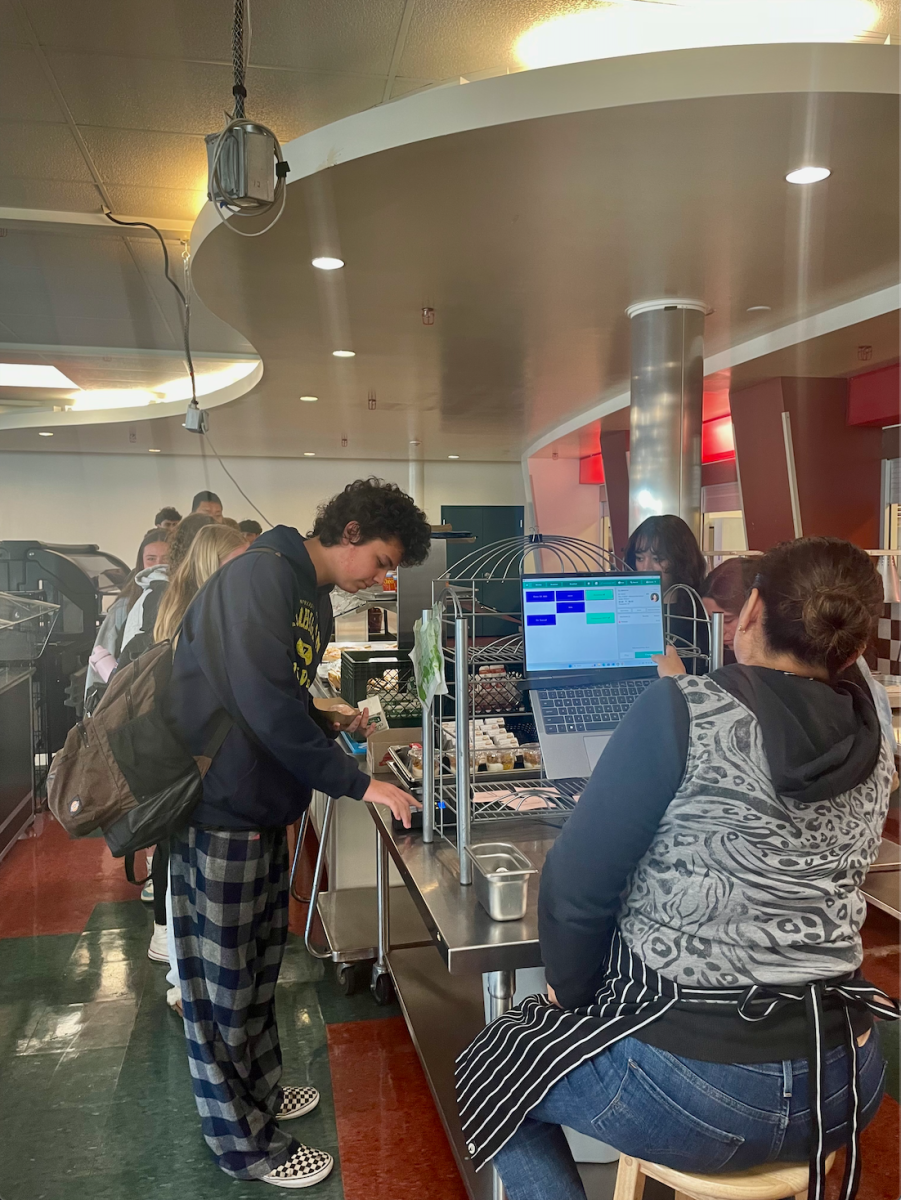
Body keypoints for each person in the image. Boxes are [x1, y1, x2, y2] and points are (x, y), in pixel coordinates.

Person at [457, 537, 898, 1200]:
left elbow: (575, 887)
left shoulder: (680, 710)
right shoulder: (877, 736)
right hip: (844, 1074)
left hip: (700, 1093)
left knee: (489, 1069)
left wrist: (569, 998)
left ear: (748, 610)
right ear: (857, 642)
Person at [164, 478, 431, 1189]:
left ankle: (262, 1092)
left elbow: (278, 696)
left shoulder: (302, 590)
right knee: (221, 986)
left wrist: (326, 719)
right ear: (348, 533)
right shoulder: (260, 579)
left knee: (256, 972)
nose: (381, 576)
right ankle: (241, 1143)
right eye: (380, 559)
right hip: (219, 811)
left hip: (257, 807)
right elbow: (258, 704)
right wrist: (356, 781)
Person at [625, 514, 707, 666]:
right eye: (640, 558)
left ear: (681, 561)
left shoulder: (701, 611)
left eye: (658, 559)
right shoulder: (626, 609)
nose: (646, 568)